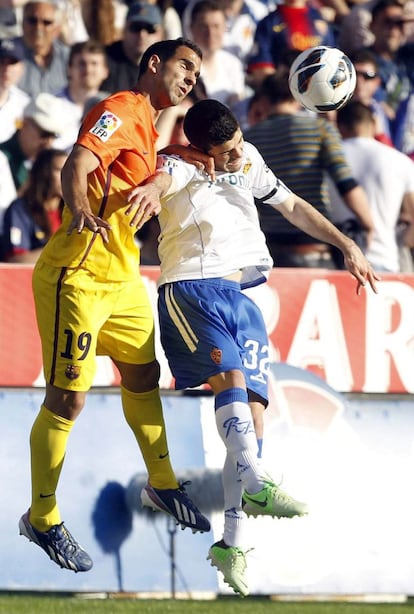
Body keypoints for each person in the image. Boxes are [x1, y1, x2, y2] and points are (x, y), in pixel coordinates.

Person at [128, 99, 379, 596]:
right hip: (193, 288)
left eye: (239, 143)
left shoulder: (249, 160)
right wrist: (153, 188)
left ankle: (233, 543)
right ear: (201, 150)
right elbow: (159, 178)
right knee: (233, 387)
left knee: (256, 415)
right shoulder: (179, 164)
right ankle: (258, 482)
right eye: (225, 152)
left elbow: (292, 206)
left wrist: (344, 245)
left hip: (242, 295)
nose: (237, 156)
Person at [18, 37, 211, 574]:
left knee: (144, 376)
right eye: (184, 66)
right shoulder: (117, 110)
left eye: (197, 72)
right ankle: (43, 516)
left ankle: (164, 484)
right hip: (77, 275)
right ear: (154, 63)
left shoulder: (150, 129)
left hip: (124, 275)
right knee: (68, 401)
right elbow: (76, 164)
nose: (191, 78)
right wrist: (79, 209)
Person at [244, 74, 374, 268]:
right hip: (314, 246)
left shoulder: (248, 138)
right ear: (298, 96)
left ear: (263, 100)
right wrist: (368, 225)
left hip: (269, 247)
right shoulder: (319, 129)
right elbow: (345, 183)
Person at [331, 100, 414, 273]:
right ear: (374, 123)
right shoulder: (400, 161)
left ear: (338, 126)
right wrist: (400, 243)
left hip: (337, 260)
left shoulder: (328, 159)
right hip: (385, 259)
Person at [246, 0, 336, 90]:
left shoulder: (319, 19)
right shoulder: (269, 22)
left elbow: (332, 59)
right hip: (284, 95)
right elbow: (261, 68)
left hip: (319, 89)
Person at [2, 148, 66, 263]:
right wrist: (61, 250)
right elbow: (15, 260)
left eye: (71, 170)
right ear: (44, 172)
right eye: (60, 170)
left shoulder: (73, 211)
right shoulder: (21, 209)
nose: (67, 176)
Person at [0, 91, 69, 190]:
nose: (48, 142)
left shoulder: (43, 164)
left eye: (54, 136)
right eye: (45, 134)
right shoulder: (2, 158)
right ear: (25, 124)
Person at [188, 0, 248, 110]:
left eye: (216, 26)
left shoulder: (233, 64)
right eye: (204, 26)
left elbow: (238, 105)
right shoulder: (184, 65)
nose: (210, 33)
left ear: (225, 28)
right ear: (191, 28)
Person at [54, 39, 110, 150]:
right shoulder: (52, 105)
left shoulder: (111, 110)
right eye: (81, 64)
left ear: (105, 71)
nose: (88, 69)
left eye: (94, 64)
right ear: (69, 69)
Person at [101, 1, 164, 94]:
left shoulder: (166, 66)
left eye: (150, 29)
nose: (142, 34)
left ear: (161, 34)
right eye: (136, 27)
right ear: (124, 30)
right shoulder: (104, 60)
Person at [16, 0, 70, 99]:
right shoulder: (5, 54)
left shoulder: (70, 58)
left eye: (46, 22)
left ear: (56, 29)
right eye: (32, 20)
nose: (38, 27)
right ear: (22, 23)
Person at [0, 37, 30, 144]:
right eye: (2, 61)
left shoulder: (24, 104)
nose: (6, 69)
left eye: (12, 62)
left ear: (21, 68)